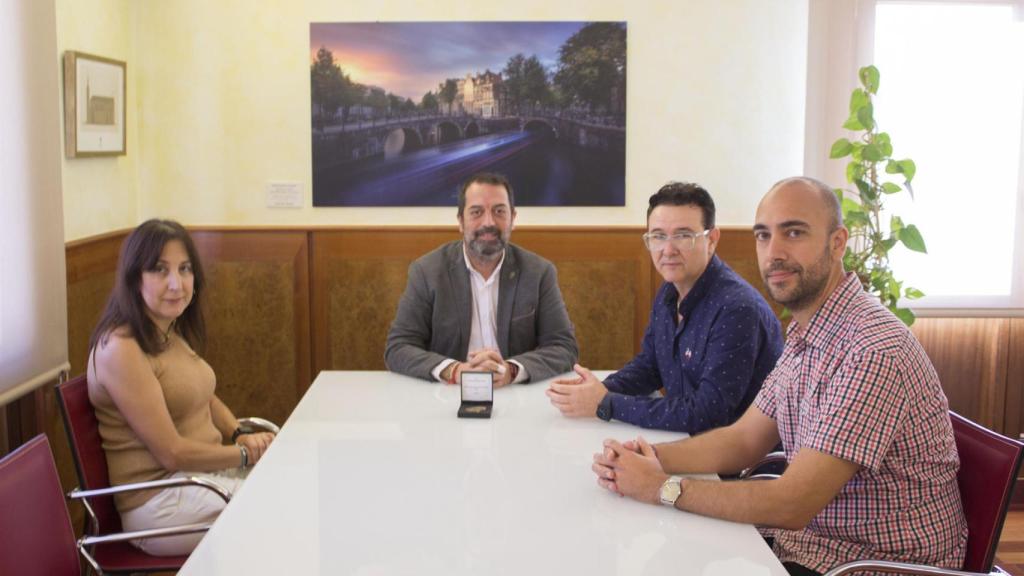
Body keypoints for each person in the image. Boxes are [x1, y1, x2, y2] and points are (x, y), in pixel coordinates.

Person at [591, 177, 966, 575]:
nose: (774, 252)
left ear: (837, 243)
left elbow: (791, 504)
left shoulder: (872, 350)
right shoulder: (808, 333)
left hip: (871, 563)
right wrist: (650, 457)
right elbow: (744, 439)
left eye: (794, 233)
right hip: (807, 542)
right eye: (763, 236)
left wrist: (659, 487)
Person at [87, 219, 276, 556]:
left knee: (292, 481)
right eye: (160, 270)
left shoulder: (165, 329)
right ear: (134, 278)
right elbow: (171, 452)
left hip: (199, 478)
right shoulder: (121, 348)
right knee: (277, 511)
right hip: (159, 502)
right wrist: (246, 455)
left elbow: (204, 394)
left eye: (184, 269)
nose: (176, 283)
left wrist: (237, 433)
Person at [546, 182, 783, 432]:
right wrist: (598, 390)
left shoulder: (737, 309)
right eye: (658, 236)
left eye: (683, 236)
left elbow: (708, 413)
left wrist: (606, 403)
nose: (668, 250)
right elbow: (650, 367)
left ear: (712, 239)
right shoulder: (669, 291)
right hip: (685, 439)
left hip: (733, 453)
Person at [384, 172, 578, 385]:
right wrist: (454, 371)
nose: (489, 222)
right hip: (447, 395)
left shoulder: (539, 272)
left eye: (499, 211)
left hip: (516, 394)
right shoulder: (426, 271)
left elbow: (563, 347)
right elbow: (398, 348)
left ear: (513, 219)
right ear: (461, 221)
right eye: (476, 212)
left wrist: (512, 370)